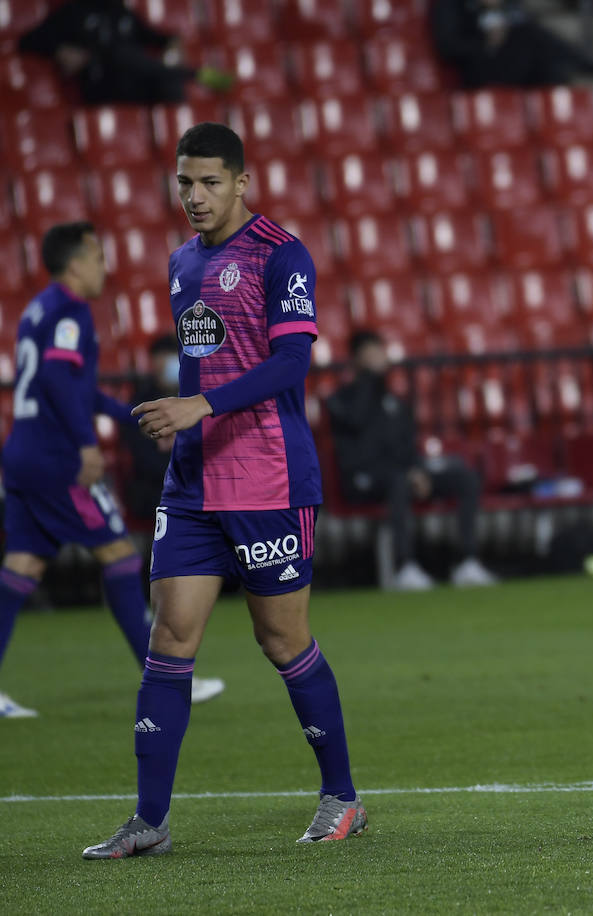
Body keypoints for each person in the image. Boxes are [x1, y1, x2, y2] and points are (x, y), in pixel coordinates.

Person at [83, 123, 365, 859]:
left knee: (281, 638)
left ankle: (342, 797)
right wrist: (183, 421)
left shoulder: (281, 253)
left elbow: (292, 362)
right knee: (169, 640)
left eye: (210, 182)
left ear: (242, 181)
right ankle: (149, 820)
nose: (195, 197)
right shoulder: (181, 263)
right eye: (184, 183)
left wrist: (197, 408)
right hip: (193, 483)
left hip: (267, 478)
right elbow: (203, 358)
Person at [0, 223, 223, 720]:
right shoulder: (70, 311)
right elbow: (59, 381)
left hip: (23, 453)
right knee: (120, 556)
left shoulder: (37, 308)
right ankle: (166, 678)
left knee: (23, 566)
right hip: (58, 460)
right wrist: (85, 445)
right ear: (75, 263)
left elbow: (73, 389)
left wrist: (138, 416)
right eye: (98, 256)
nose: (104, 266)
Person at [324, 329, 496, 591]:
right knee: (398, 481)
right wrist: (369, 378)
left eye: (379, 353)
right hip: (362, 481)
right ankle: (405, 567)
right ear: (357, 360)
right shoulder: (340, 400)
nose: (378, 360)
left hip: (402, 476)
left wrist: (418, 471)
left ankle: (468, 561)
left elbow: (406, 447)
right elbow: (358, 425)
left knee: (465, 478)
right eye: (370, 355)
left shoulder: (395, 402)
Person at [18, 0, 232, 106]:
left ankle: (180, 147)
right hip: (100, 84)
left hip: (135, 81)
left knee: (167, 83)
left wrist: (173, 42)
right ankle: (194, 74)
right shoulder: (73, 12)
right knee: (119, 55)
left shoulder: (120, 11)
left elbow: (155, 37)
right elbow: (28, 41)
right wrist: (60, 49)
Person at [430, 0, 593, 89]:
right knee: (529, 35)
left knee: (549, 66)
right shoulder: (451, 5)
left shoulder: (506, 4)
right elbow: (448, 46)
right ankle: (590, 66)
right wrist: (485, 42)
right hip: (482, 69)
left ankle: (577, 74)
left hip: (520, 62)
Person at [120, 335, 180, 524]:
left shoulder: (197, 399)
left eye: (170, 357)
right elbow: (143, 456)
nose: (165, 365)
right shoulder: (142, 402)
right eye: (160, 358)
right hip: (156, 488)